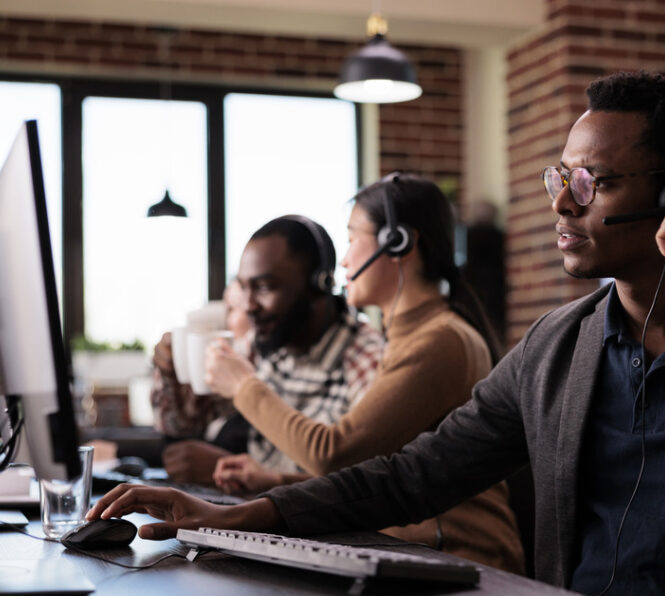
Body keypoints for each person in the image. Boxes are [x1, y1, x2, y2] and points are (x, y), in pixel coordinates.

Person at [90, 72, 665, 596]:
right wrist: (236, 514)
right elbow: (413, 475)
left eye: (593, 183)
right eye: (559, 177)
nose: (562, 206)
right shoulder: (557, 345)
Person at [203, 174, 522, 574]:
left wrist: (243, 386)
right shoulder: (413, 336)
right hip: (416, 551)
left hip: (464, 559)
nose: (345, 260)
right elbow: (385, 474)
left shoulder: (441, 341)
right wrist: (275, 480)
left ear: (398, 243)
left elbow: (334, 453)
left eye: (354, 239)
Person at [150, 216, 384, 485]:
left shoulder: (367, 358)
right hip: (255, 518)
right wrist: (171, 374)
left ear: (320, 284)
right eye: (243, 287)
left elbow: (368, 485)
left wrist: (266, 480)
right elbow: (185, 426)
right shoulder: (261, 345)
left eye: (263, 287)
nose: (248, 306)